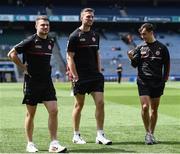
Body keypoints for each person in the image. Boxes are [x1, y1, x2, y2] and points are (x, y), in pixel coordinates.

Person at [7, 15, 67, 153]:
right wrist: (23, 68)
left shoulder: (51, 42)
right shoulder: (30, 40)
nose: (45, 27)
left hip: (47, 82)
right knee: (31, 114)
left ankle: (54, 143)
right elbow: (12, 54)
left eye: (47, 25)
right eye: (42, 25)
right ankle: (30, 143)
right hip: (32, 82)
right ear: (36, 26)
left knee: (54, 110)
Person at [66, 8, 112, 145]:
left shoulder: (95, 35)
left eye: (92, 17)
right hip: (80, 76)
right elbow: (70, 57)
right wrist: (74, 75)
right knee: (79, 105)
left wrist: (99, 71)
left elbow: (97, 53)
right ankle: (76, 135)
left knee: (100, 103)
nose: (90, 19)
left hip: (95, 76)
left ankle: (100, 135)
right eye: (87, 16)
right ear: (81, 18)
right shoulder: (74, 36)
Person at [127, 23, 170, 145]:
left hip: (157, 82)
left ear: (151, 32)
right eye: (141, 34)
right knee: (145, 107)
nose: (142, 36)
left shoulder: (162, 48)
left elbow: (167, 65)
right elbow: (135, 64)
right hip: (143, 81)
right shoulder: (140, 48)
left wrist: (164, 79)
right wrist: (131, 57)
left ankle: (151, 133)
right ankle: (147, 133)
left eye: (144, 34)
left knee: (154, 110)